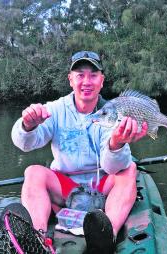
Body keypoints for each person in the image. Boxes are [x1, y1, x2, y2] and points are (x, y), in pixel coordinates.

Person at [11, 50, 148, 253]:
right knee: (33, 171)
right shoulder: (56, 109)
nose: (87, 81)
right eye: (80, 75)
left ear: (101, 81)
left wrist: (117, 143)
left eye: (93, 75)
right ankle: (36, 240)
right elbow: (25, 143)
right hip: (65, 186)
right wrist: (27, 125)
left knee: (129, 170)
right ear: (70, 80)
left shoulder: (112, 113)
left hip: (103, 185)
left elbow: (113, 166)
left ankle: (105, 234)